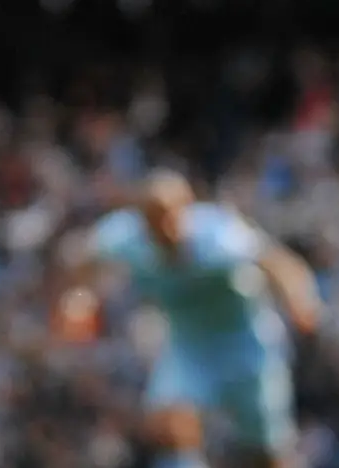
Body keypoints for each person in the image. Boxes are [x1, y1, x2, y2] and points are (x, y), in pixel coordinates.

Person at [72, 172, 320, 468]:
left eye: (168, 216)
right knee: (166, 424)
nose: (162, 228)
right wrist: (78, 300)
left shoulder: (217, 235)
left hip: (246, 344)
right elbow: (86, 258)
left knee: (266, 453)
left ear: (186, 209)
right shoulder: (126, 237)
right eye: (152, 220)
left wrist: (299, 300)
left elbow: (275, 262)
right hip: (189, 347)